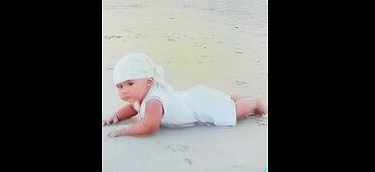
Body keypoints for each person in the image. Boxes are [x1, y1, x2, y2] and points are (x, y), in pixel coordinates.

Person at [102, 53, 267, 138]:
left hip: (199, 107)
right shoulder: (142, 98)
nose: (124, 90)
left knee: (233, 112)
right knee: (225, 102)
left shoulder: (153, 102)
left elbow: (149, 126)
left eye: (130, 84)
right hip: (193, 99)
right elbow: (133, 108)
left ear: (149, 82)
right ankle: (235, 97)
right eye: (120, 86)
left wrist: (126, 130)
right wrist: (117, 115)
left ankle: (254, 102)